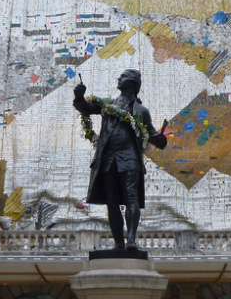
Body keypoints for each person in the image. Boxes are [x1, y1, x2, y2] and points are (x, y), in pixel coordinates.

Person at [72, 68, 168, 251]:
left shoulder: (141, 111)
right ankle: (118, 243)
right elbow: (85, 107)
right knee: (112, 201)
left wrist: (161, 140)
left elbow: (154, 136)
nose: (119, 78)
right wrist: (79, 97)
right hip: (108, 158)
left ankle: (131, 240)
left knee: (131, 197)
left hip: (130, 157)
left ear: (131, 82)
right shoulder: (108, 104)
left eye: (123, 77)